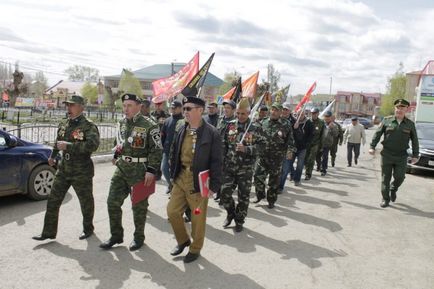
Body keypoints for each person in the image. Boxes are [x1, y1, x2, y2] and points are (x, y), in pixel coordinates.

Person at [100, 93, 162, 251]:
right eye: (124, 105)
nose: (125, 109)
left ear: (139, 106)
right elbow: (118, 143)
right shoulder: (121, 123)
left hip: (140, 171)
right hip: (122, 169)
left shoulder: (150, 124)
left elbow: (157, 149)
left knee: (139, 207)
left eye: (129, 105)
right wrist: (115, 155)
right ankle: (116, 235)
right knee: (112, 202)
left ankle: (138, 237)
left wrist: (151, 170)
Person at [33, 95, 100, 241]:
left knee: (86, 201)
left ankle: (88, 228)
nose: (68, 108)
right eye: (67, 105)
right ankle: (48, 232)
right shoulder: (64, 123)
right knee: (53, 200)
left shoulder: (88, 125)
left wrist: (69, 146)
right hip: (64, 168)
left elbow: (93, 146)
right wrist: (53, 155)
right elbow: (58, 141)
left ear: (81, 107)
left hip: (81, 169)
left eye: (72, 105)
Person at [167, 96, 222, 263]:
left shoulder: (212, 133)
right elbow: (173, 152)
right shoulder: (182, 129)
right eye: (184, 109)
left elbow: (217, 161)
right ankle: (183, 240)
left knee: (197, 216)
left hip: (198, 182)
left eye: (188, 109)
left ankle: (195, 248)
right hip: (180, 178)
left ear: (200, 110)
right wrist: (172, 173)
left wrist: (214, 186)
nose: (185, 112)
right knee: (172, 211)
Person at [369, 99, 419, 208]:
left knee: (400, 177)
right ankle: (385, 199)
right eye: (397, 108)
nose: (399, 110)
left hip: (401, 156)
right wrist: (372, 147)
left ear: (406, 109)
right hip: (387, 154)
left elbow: (415, 140)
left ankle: (393, 188)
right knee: (385, 178)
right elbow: (377, 134)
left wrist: (415, 155)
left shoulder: (410, 124)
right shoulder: (387, 121)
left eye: (402, 108)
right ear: (394, 108)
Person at [221, 99, 259, 232]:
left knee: (243, 198)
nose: (240, 116)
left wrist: (247, 149)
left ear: (249, 113)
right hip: (230, 167)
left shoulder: (255, 128)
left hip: (246, 169)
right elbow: (224, 144)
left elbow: (263, 147)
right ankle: (230, 212)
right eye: (238, 113)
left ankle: (239, 220)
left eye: (243, 113)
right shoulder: (230, 125)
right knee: (224, 193)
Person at [254, 102, 295, 208]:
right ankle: (260, 195)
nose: (273, 112)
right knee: (257, 176)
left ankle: (271, 201)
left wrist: (290, 151)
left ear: (281, 112)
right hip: (262, 156)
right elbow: (255, 137)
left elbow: (290, 140)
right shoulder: (263, 122)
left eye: (276, 110)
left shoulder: (285, 124)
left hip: (276, 158)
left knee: (273, 181)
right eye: (272, 109)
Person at [279, 109, 313, 188]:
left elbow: (311, 136)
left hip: (302, 148)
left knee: (300, 165)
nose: (300, 116)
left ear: (304, 115)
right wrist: (295, 127)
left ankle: (297, 179)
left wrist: (306, 144)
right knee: (288, 163)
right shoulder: (293, 121)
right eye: (298, 115)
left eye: (301, 114)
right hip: (292, 147)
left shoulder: (309, 123)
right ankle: (292, 174)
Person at [214, 99, 236, 202]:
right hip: (218, 153)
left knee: (225, 177)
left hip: (227, 155)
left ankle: (223, 197)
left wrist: (229, 157)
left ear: (233, 110)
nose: (226, 110)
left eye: (228, 108)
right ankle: (218, 193)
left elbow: (233, 142)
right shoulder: (220, 120)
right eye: (225, 107)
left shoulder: (234, 123)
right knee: (218, 174)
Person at [161, 100, 183, 193]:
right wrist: (162, 147)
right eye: (171, 108)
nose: (172, 110)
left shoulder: (183, 121)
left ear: (180, 108)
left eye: (175, 108)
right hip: (167, 150)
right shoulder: (167, 121)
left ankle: (176, 189)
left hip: (178, 151)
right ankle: (171, 185)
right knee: (164, 168)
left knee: (176, 172)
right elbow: (163, 135)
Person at [316, 111, 339, 176]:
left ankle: (323, 169)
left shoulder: (334, 125)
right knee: (317, 156)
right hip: (319, 143)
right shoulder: (321, 123)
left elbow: (336, 134)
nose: (327, 118)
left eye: (328, 117)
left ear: (331, 118)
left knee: (325, 157)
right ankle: (319, 165)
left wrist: (332, 128)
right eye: (326, 117)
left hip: (327, 144)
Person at [304, 107, 325, 180]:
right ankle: (307, 168)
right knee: (306, 159)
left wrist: (321, 146)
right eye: (313, 113)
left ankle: (308, 174)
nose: (314, 115)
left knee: (311, 159)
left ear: (318, 114)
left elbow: (322, 135)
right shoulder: (307, 121)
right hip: (307, 143)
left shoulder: (321, 123)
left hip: (315, 144)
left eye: (315, 113)